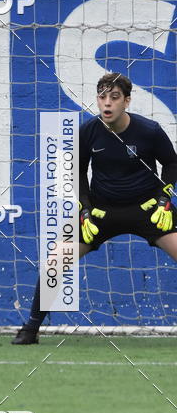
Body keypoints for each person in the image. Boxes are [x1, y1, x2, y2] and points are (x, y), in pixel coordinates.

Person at [13, 72, 177, 344]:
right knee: (56, 261)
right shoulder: (87, 132)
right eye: (102, 97)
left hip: (148, 209)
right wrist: (85, 207)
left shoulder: (149, 130)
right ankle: (30, 329)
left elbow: (172, 163)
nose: (107, 103)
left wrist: (165, 197)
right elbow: (77, 171)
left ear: (127, 101)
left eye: (114, 97)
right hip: (101, 213)